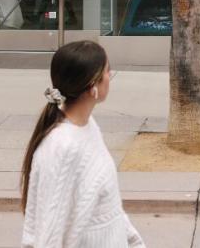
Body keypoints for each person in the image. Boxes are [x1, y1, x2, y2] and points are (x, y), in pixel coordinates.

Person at [20, 40, 143, 247]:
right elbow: (49, 232)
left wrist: (133, 241)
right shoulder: (62, 146)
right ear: (92, 86)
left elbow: (108, 206)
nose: (110, 76)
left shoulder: (89, 127)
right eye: (107, 71)